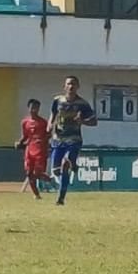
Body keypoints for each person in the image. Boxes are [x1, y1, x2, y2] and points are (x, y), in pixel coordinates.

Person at [49, 75, 97, 206]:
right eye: (69, 84)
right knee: (55, 171)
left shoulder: (82, 104)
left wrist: (82, 121)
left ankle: (61, 198)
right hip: (58, 139)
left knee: (65, 164)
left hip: (74, 139)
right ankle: (73, 165)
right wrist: (50, 124)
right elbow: (53, 113)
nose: (71, 86)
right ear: (64, 86)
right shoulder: (57, 101)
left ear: (78, 87)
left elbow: (94, 121)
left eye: (74, 84)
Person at [16, 98, 51, 200]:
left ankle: (48, 179)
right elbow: (25, 136)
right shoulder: (25, 122)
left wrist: (44, 142)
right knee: (29, 173)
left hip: (40, 150)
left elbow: (48, 135)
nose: (34, 110)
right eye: (32, 107)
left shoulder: (43, 122)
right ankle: (36, 195)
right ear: (29, 108)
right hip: (29, 149)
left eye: (36, 108)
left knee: (37, 173)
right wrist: (20, 142)